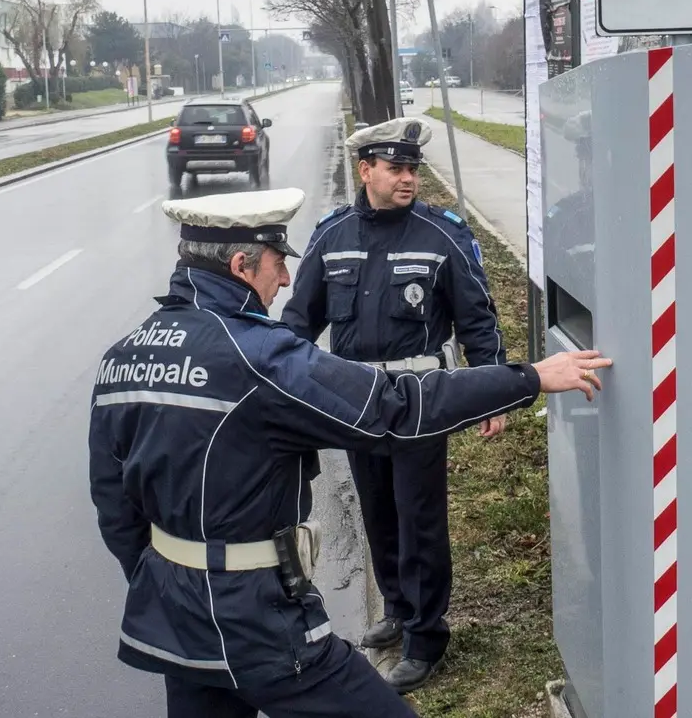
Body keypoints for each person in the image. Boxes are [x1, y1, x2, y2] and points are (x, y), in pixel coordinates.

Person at [88, 187, 611, 718]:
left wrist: (170, 582)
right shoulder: (260, 357)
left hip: (175, 620)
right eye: (277, 262)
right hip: (257, 620)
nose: (287, 279)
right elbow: (394, 408)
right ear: (242, 264)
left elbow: (114, 506)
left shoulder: (125, 356)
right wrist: (527, 379)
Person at [280, 118, 505, 692]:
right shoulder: (332, 236)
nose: (408, 179)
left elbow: (478, 320)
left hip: (420, 402)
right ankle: (398, 609)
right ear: (366, 171)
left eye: (413, 169)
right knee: (378, 510)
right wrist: (284, 395)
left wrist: (492, 393)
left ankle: (428, 637)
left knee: (419, 518)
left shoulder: (441, 235)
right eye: (396, 169)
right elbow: (298, 323)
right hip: (357, 402)